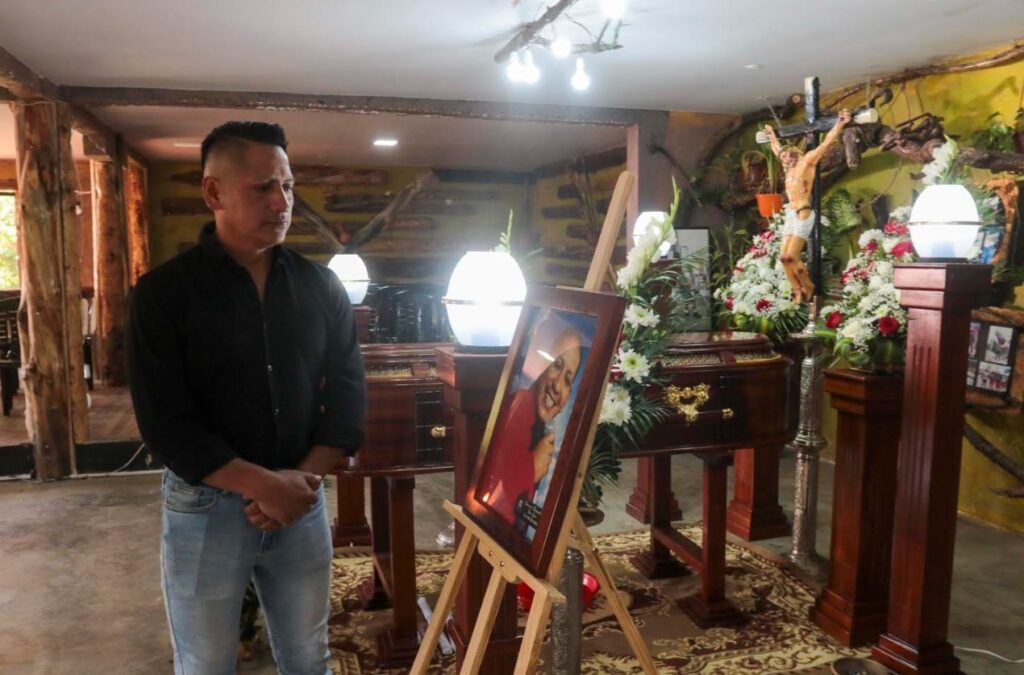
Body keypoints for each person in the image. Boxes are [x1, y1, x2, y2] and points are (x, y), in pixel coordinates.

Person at [127, 121, 366, 675]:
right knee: (206, 663)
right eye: (262, 187)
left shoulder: (320, 287)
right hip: (205, 507)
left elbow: (350, 398)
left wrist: (299, 483)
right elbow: (166, 425)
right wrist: (264, 485)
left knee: (309, 658)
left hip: (302, 499)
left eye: (287, 186)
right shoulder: (164, 295)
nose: (281, 202)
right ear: (214, 192)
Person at [476, 325, 583, 531]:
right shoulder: (523, 403)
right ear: (542, 366)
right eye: (557, 364)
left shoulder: (543, 430)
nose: (558, 384)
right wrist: (532, 467)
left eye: (568, 379)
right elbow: (498, 487)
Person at [762, 109, 852, 302]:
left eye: (787, 155)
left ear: (795, 152)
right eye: (783, 157)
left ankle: (807, 285)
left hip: (803, 212)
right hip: (791, 213)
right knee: (784, 258)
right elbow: (777, 149)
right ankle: (797, 288)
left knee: (791, 256)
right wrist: (771, 136)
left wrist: (840, 124)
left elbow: (827, 142)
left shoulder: (807, 162)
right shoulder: (789, 168)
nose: (784, 159)